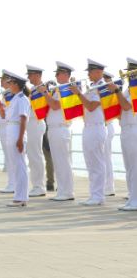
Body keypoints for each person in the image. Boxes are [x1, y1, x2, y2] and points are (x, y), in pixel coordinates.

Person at [71, 59, 107, 206]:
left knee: (97, 162)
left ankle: (98, 195)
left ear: (98, 72)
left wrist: (78, 93)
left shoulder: (102, 87)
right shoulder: (92, 87)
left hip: (97, 127)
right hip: (89, 127)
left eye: (90, 71)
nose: (89, 74)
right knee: (90, 162)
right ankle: (94, 194)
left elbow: (91, 106)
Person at [40, 62, 75, 201]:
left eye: (58, 73)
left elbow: (55, 106)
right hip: (54, 129)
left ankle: (67, 192)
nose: (56, 76)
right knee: (58, 161)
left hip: (61, 128)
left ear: (66, 74)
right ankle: (62, 191)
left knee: (63, 162)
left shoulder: (66, 89)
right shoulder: (58, 89)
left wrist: (44, 92)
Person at [0, 71, 31, 207]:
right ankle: (18, 196)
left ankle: (21, 197)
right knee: (15, 165)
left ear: (17, 84)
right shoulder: (14, 99)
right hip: (11, 129)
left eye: (11, 83)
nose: (9, 85)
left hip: (17, 131)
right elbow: (4, 115)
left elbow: (23, 119)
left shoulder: (22, 99)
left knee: (20, 166)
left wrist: (20, 139)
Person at [113, 57, 137, 211]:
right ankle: (131, 197)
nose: (128, 75)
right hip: (126, 128)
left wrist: (116, 91)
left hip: (134, 128)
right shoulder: (128, 89)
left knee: (135, 167)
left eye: (131, 72)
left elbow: (128, 106)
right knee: (129, 167)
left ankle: (135, 200)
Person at [25, 65, 47, 197]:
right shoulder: (33, 89)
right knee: (32, 155)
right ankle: (36, 185)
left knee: (36, 155)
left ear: (37, 75)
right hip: (30, 123)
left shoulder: (43, 87)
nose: (28, 77)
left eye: (30, 75)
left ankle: (39, 186)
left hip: (36, 122)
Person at [0, 72, 15, 194]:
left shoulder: (10, 94)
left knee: (11, 157)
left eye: (2, 79)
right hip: (3, 128)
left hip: (8, 128)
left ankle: (13, 184)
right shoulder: (5, 94)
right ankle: (11, 182)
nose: (1, 81)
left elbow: (7, 113)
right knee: (8, 158)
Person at [103, 71, 117, 197]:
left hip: (108, 126)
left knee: (106, 157)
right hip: (104, 126)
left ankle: (109, 187)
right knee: (103, 158)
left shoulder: (110, 93)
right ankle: (106, 186)